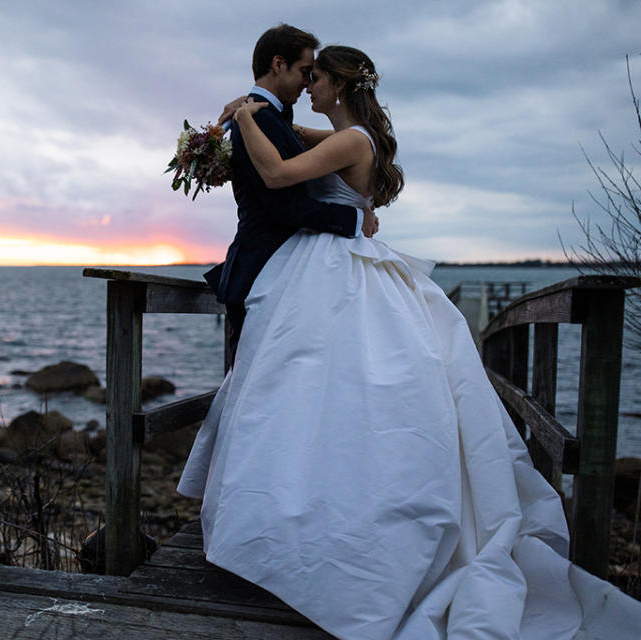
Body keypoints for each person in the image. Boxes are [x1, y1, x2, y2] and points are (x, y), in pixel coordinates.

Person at [178, 44, 641, 639]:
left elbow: (279, 172)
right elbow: (293, 130)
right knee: (314, 390)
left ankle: (330, 539)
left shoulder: (354, 141)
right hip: (329, 267)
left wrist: (243, 117)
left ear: (340, 85)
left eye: (316, 78)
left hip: (333, 271)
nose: (309, 86)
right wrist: (248, 115)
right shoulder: (347, 133)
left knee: (328, 391)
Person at [202, 24, 376, 366]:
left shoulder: (268, 119)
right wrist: (356, 217)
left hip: (290, 272)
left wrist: (248, 106)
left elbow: (294, 143)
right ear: (278, 64)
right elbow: (284, 204)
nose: (307, 83)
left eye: (314, 76)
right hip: (263, 269)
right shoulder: (259, 122)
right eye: (304, 72)